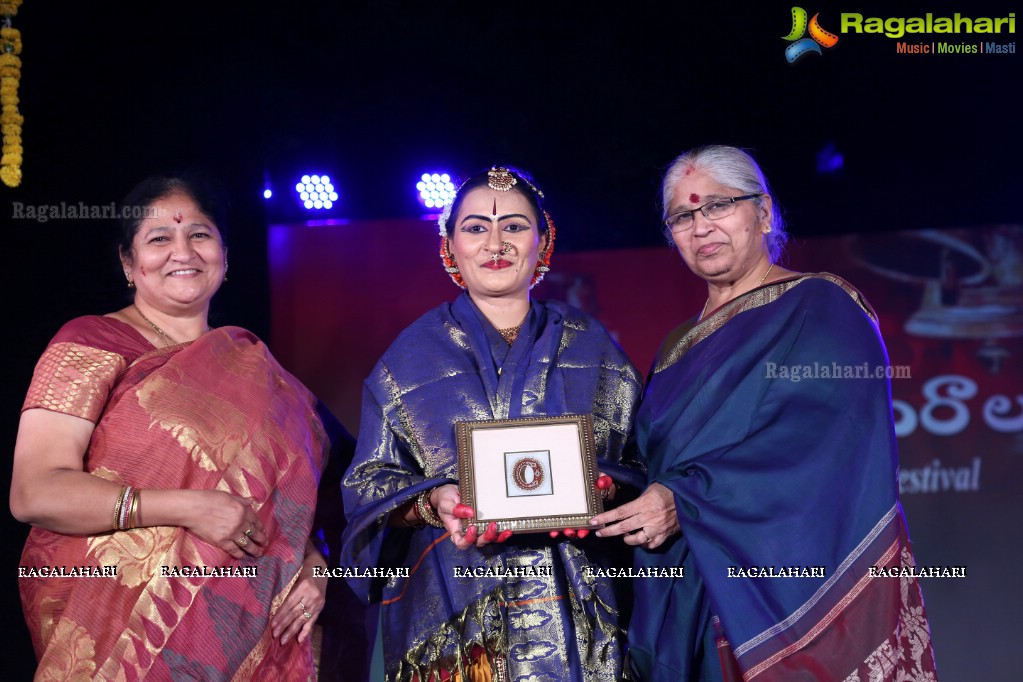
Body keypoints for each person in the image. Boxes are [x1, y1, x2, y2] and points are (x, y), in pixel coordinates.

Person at [591, 146, 938, 681]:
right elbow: (649, 465)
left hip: (780, 589)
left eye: (719, 206)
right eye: (683, 216)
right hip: (683, 590)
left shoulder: (820, 304)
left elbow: (825, 443)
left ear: (765, 212)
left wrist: (686, 498)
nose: (701, 226)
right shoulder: (676, 346)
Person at [11, 174, 341, 679]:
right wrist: (188, 508)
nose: (182, 251)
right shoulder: (93, 341)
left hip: (241, 630)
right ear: (129, 263)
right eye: (159, 238)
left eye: (200, 235)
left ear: (225, 257)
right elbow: (34, 492)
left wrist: (314, 563)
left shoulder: (271, 382)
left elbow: (289, 503)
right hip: (112, 624)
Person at [341, 166, 643, 681]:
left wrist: (605, 488)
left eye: (515, 227)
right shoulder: (409, 358)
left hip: (579, 607)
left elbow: (642, 462)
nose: (496, 243)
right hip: (457, 613)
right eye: (476, 227)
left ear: (543, 241)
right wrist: (435, 502)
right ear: (449, 246)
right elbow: (367, 486)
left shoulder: (592, 346)